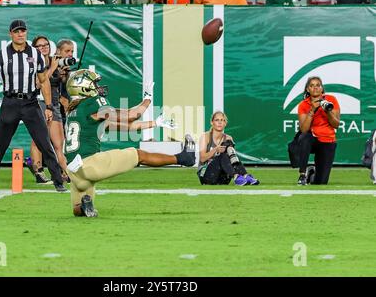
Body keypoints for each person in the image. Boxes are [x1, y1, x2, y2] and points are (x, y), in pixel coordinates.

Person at [63, 69, 196, 217]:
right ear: (84, 88)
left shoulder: (74, 111)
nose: (98, 87)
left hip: (74, 171)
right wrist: (148, 99)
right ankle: (183, 158)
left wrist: (155, 123)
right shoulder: (92, 103)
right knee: (139, 155)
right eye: (94, 83)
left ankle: (84, 206)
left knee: (77, 208)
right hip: (90, 164)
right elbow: (132, 116)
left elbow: (127, 127)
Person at [0, 19, 67, 193]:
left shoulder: (36, 54)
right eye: (17, 31)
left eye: (23, 31)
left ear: (26, 32)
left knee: (44, 142)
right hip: (10, 102)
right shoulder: (1, 55)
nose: (20, 34)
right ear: (10, 34)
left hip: (31, 103)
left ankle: (58, 181)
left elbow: (44, 80)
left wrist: (48, 106)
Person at [26, 36, 72, 184]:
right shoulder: (31, 62)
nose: (43, 47)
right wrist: (53, 67)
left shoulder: (54, 60)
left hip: (54, 104)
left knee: (59, 142)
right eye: (39, 46)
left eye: (45, 44)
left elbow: (60, 83)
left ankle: (65, 172)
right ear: (34, 48)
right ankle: (39, 171)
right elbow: (38, 83)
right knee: (38, 138)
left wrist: (64, 73)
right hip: (38, 102)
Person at [296, 76, 340, 185]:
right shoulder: (303, 104)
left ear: (322, 88)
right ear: (307, 89)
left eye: (318, 85)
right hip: (312, 140)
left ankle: (311, 173)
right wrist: (312, 110)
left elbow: (336, 125)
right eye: (312, 85)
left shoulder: (331, 100)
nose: (315, 88)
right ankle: (302, 174)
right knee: (304, 137)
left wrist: (327, 111)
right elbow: (304, 129)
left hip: (327, 140)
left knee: (321, 182)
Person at [197, 111, 259, 186]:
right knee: (222, 156)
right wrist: (215, 150)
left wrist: (229, 149)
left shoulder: (228, 138)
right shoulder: (205, 136)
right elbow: (202, 159)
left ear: (225, 123)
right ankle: (236, 177)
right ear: (212, 122)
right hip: (207, 176)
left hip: (223, 178)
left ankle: (245, 175)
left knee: (230, 151)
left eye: (222, 120)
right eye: (217, 120)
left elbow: (233, 159)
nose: (220, 122)